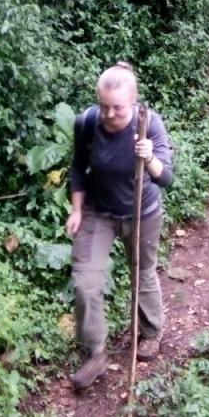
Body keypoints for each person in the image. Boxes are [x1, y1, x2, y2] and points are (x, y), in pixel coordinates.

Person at [66, 62, 173, 390]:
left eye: (118, 107)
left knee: (142, 274)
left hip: (142, 212)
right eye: (104, 106)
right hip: (99, 212)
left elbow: (167, 178)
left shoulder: (149, 124)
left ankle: (151, 332)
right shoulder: (86, 123)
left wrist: (149, 157)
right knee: (86, 281)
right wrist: (77, 209)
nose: (110, 114)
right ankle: (96, 351)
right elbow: (77, 167)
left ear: (134, 102)